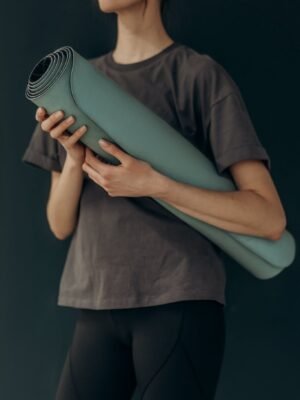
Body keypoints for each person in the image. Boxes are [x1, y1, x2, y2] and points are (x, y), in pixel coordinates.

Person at [21, 0, 287, 399]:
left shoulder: (198, 76)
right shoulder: (71, 84)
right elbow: (60, 225)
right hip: (96, 301)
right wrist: (75, 159)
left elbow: (269, 219)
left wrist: (155, 184)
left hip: (180, 301)